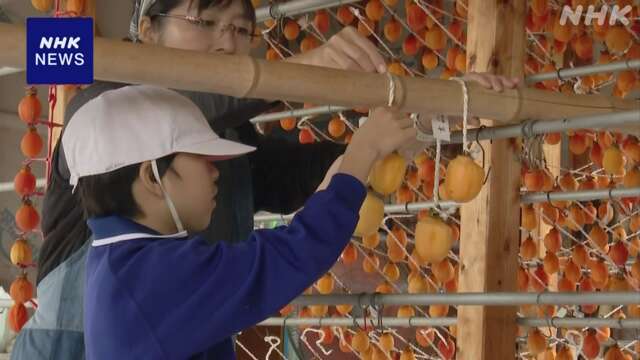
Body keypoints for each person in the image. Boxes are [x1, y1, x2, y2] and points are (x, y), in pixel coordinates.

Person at [11, 0, 520, 357]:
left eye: (239, 30)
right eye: (205, 20)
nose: (225, 43)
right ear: (148, 30)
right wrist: (302, 72)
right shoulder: (104, 104)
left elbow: (319, 168)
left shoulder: (227, 137)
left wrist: (437, 113)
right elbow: (181, 106)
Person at [64, 85, 416, 359]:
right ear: (153, 178)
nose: (216, 171)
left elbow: (287, 248)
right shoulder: (151, 276)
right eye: (203, 158)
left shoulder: (124, 264)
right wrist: (363, 150)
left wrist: (352, 165)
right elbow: (289, 256)